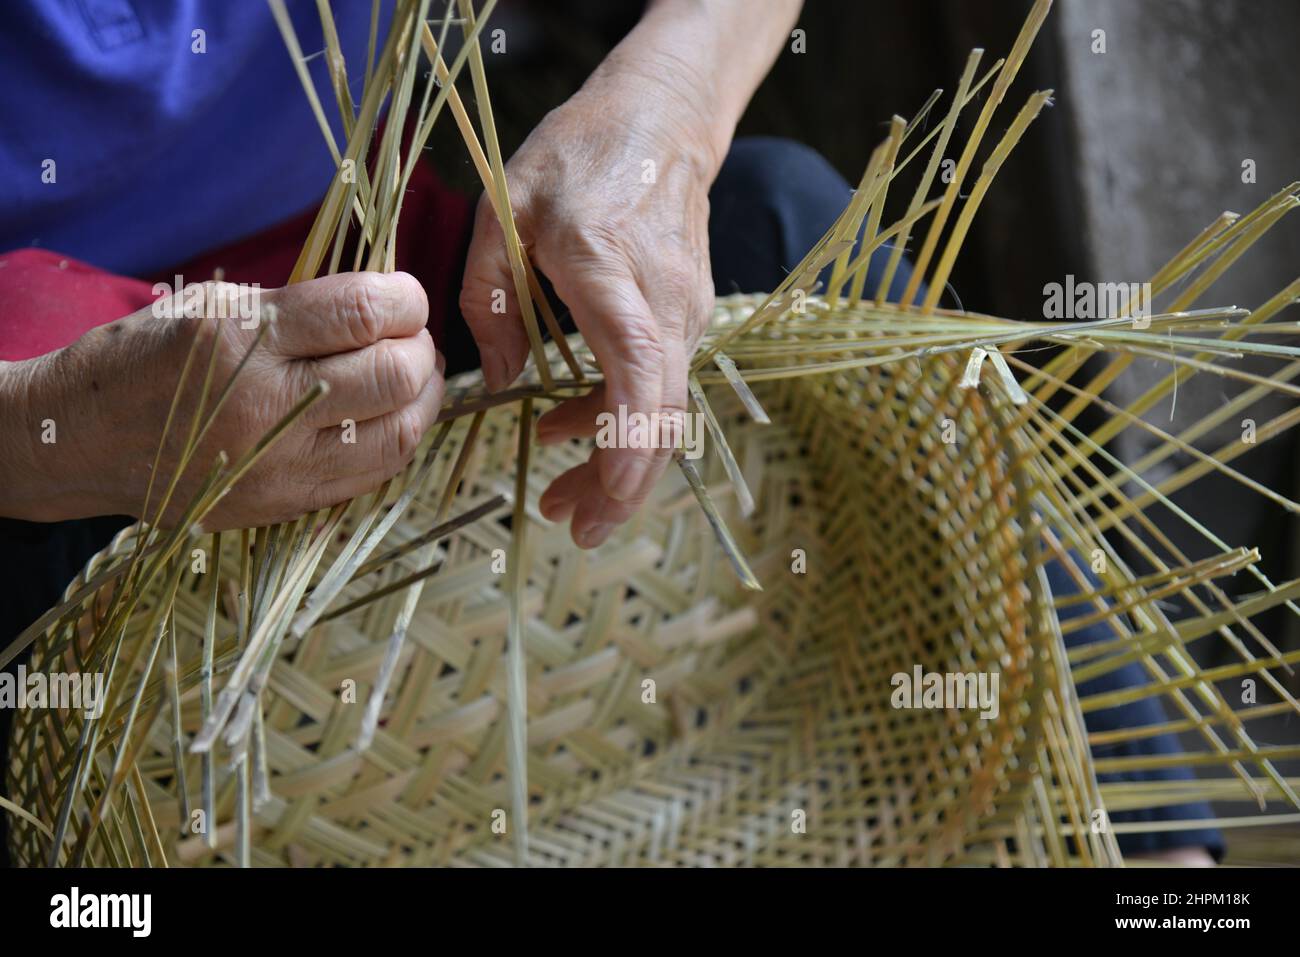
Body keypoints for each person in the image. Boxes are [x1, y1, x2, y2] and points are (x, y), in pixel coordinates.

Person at [0, 0, 1217, 865]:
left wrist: (666, 112)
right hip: (31, 375)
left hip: (364, 254)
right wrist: (59, 426)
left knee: (778, 220)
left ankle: (1160, 859)